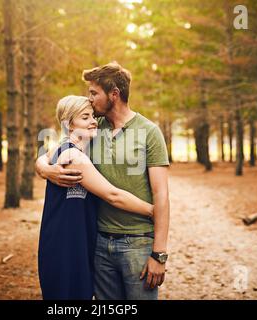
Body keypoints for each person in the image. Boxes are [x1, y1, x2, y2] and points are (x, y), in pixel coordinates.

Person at [36, 62, 170, 300]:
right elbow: (53, 152)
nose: (90, 99)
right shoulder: (95, 130)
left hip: (137, 242)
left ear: (114, 94)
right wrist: (46, 170)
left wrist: (159, 254)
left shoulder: (148, 131)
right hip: (99, 243)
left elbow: (162, 195)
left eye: (94, 93)